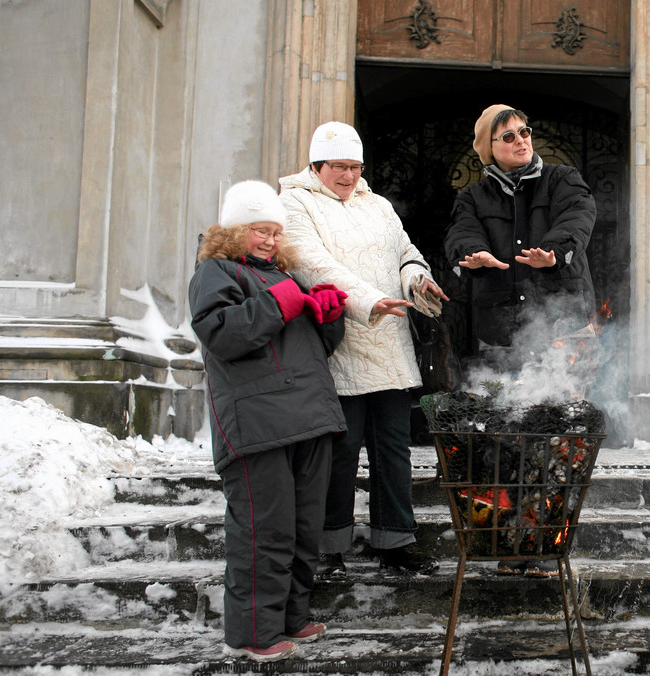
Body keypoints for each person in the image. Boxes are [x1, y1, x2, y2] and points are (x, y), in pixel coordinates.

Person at [280, 121, 449, 578]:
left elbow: (405, 252)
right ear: (316, 165)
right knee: (340, 449)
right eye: (339, 167)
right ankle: (329, 543)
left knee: (393, 448)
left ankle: (395, 539)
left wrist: (418, 280)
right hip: (340, 341)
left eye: (355, 167)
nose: (349, 176)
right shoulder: (294, 202)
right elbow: (312, 264)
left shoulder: (377, 204)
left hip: (390, 342)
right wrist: (370, 300)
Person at [189, 180, 348, 662]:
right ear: (233, 230)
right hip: (258, 424)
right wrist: (283, 303)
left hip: (309, 416)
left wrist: (327, 314)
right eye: (260, 230)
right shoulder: (216, 272)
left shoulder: (286, 276)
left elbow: (312, 347)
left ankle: (292, 617)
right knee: (264, 530)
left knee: (303, 527)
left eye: (276, 232)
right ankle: (254, 632)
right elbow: (222, 333)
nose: (270, 241)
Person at [444, 104, 597, 576]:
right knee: (505, 443)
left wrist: (555, 252)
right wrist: (471, 254)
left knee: (555, 443)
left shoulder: (562, 179)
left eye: (524, 132)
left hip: (560, 330)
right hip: (502, 336)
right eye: (506, 136)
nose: (520, 140)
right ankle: (510, 543)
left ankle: (549, 541)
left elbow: (579, 217)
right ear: (488, 147)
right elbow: (460, 233)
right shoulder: (473, 196)